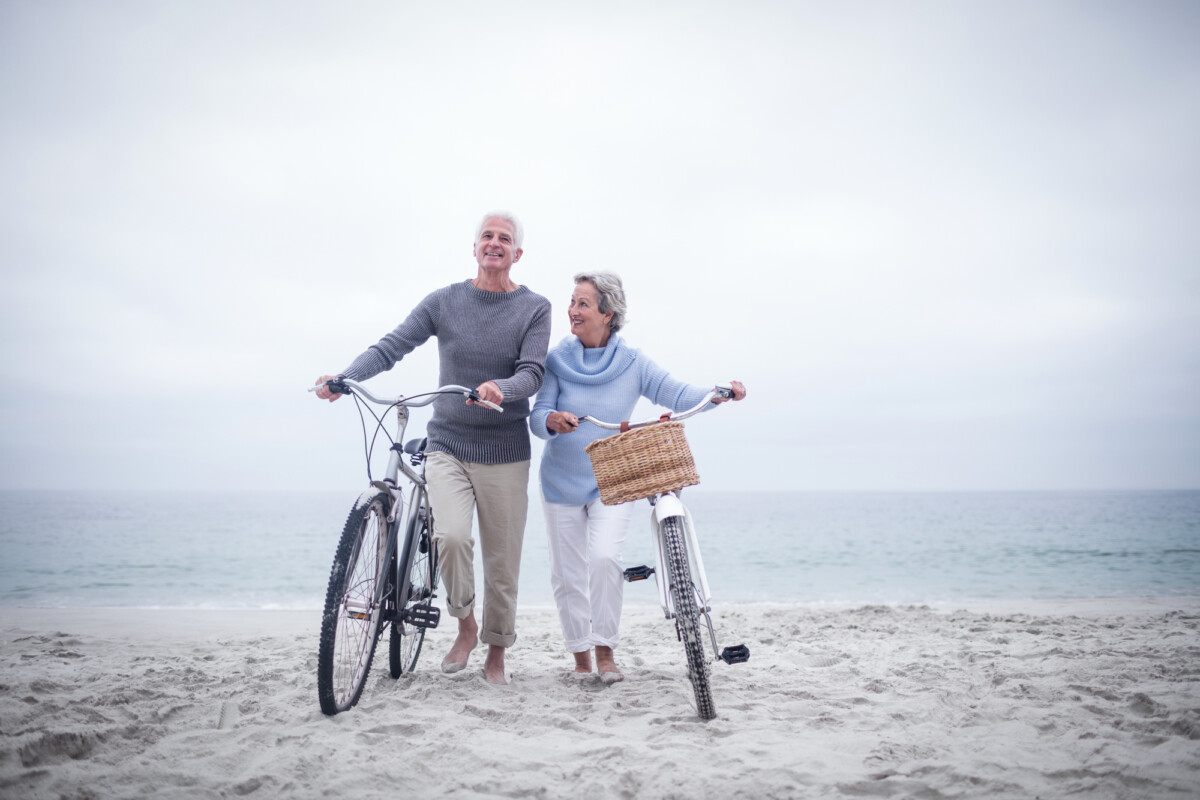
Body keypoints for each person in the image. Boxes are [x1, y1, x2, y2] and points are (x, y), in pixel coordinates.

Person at [315, 211, 552, 685]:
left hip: (505, 451)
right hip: (448, 443)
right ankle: (465, 625)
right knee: (450, 538)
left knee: (502, 563)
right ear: (474, 247)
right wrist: (346, 377)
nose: (494, 243)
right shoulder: (444, 301)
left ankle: (496, 656)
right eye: (487, 235)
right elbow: (392, 345)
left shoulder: (535, 308)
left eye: (504, 238)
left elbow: (532, 373)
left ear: (517, 253)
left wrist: (500, 390)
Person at [529, 272, 745, 682]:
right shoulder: (556, 361)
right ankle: (580, 657)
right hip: (559, 482)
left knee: (606, 558)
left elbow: (678, 394)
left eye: (583, 304)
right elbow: (538, 416)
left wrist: (718, 394)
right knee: (567, 573)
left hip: (612, 482)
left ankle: (605, 651)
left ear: (608, 314)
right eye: (572, 302)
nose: (572, 311)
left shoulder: (632, 362)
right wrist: (553, 421)